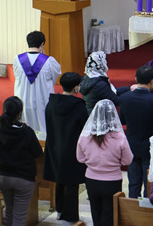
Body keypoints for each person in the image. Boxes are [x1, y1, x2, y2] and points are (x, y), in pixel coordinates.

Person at [76, 99, 133, 226]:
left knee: (96, 213)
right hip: (112, 181)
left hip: (91, 180)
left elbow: (80, 158)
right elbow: (128, 160)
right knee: (110, 215)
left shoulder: (85, 136)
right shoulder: (119, 137)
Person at [43, 72, 88, 222]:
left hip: (55, 146)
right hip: (72, 148)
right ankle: (70, 216)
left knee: (60, 180)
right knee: (72, 183)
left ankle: (60, 210)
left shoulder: (52, 103)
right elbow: (85, 129)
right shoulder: (79, 107)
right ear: (76, 87)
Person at [119, 65, 153, 199]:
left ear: (136, 79)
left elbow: (122, 120)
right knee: (150, 182)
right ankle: (147, 208)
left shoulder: (124, 98)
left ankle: (132, 207)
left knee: (133, 183)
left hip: (132, 145)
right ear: (152, 82)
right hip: (150, 146)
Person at [0, 96, 43, 226]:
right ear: (20, 113)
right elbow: (37, 153)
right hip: (23, 177)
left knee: (9, 212)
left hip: (4, 176)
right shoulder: (27, 131)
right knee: (19, 217)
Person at [13, 30, 61, 135]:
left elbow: (17, 77)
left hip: (23, 100)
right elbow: (54, 78)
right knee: (43, 128)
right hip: (42, 101)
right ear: (42, 44)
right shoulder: (49, 61)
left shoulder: (17, 59)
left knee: (24, 127)